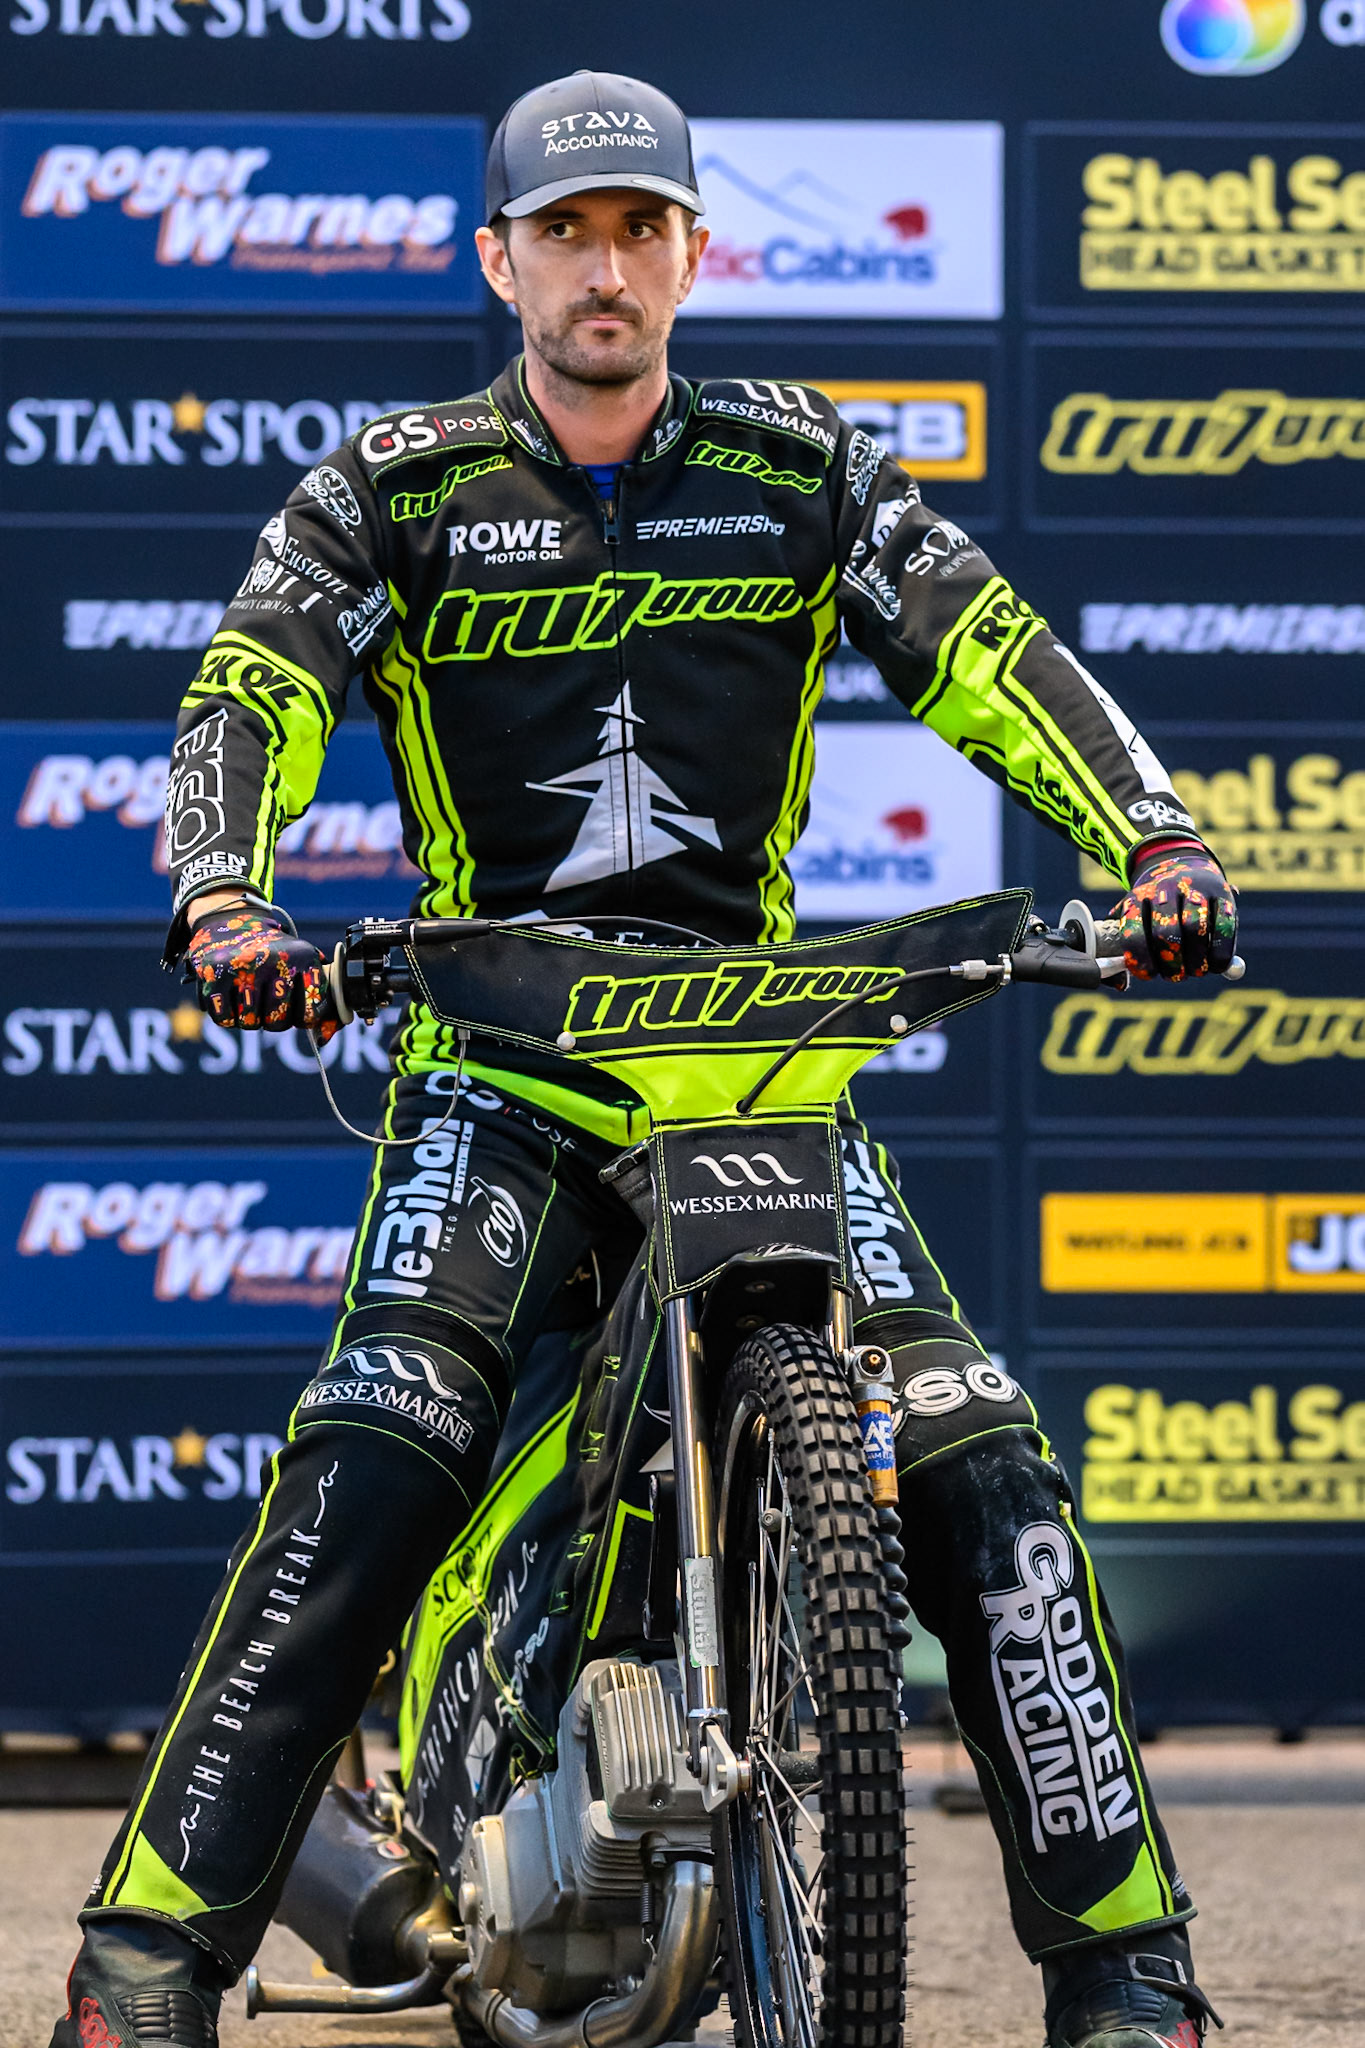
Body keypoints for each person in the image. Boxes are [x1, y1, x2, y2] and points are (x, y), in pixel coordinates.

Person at [52, 70, 1234, 2048]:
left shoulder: (801, 469)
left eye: (639, 229)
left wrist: (1157, 835)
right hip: (500, 1063)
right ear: (500, 257)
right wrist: (220, 893)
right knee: (374, 1457)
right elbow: (255, 677)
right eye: (566, 232)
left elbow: (980, 641)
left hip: (755, 1072)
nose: (604, 269)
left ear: (694, 250)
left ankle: (1131, 1984)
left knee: (983, 1465)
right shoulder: (390, 483)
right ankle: (141, 1973)